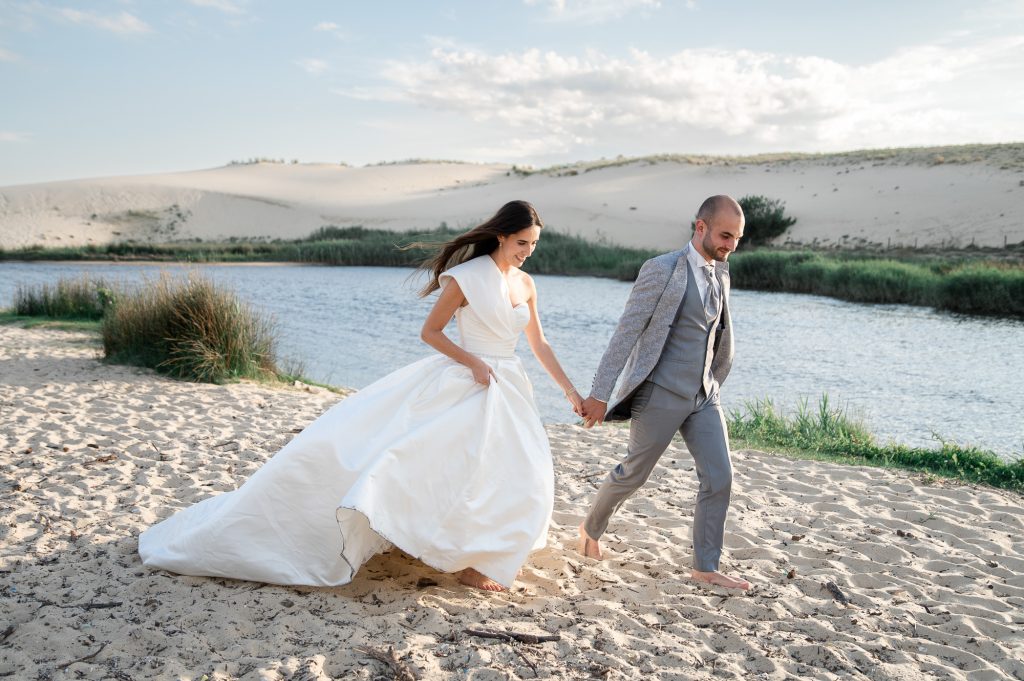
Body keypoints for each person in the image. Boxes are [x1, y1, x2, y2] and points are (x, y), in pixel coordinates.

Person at [139, 200, 582, 592]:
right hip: (468, 377)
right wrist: (472, 362)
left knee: (513, 470)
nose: (528, 251)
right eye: (522, 242)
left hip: (509, 385)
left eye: (535, 244)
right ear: (502, 235)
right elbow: (430, 333)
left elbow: (539, 344)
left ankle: (481, 556)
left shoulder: (526, 285)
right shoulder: (466, 278)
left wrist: (569, 391)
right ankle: (461, 557)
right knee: (425, 462)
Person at [577, 195, 751, 590]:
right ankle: (590, 529)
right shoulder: (662, 269)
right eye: (725, 235)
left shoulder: (721, 273)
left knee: (720, 477)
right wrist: (600, 394)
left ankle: (705, 566)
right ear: (700, 226)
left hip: (705, 394)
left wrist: (715, 379)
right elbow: (627, 333)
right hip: (660, 391)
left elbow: (716, 334)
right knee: (633, 474)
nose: (731, 245)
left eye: (738, 238)